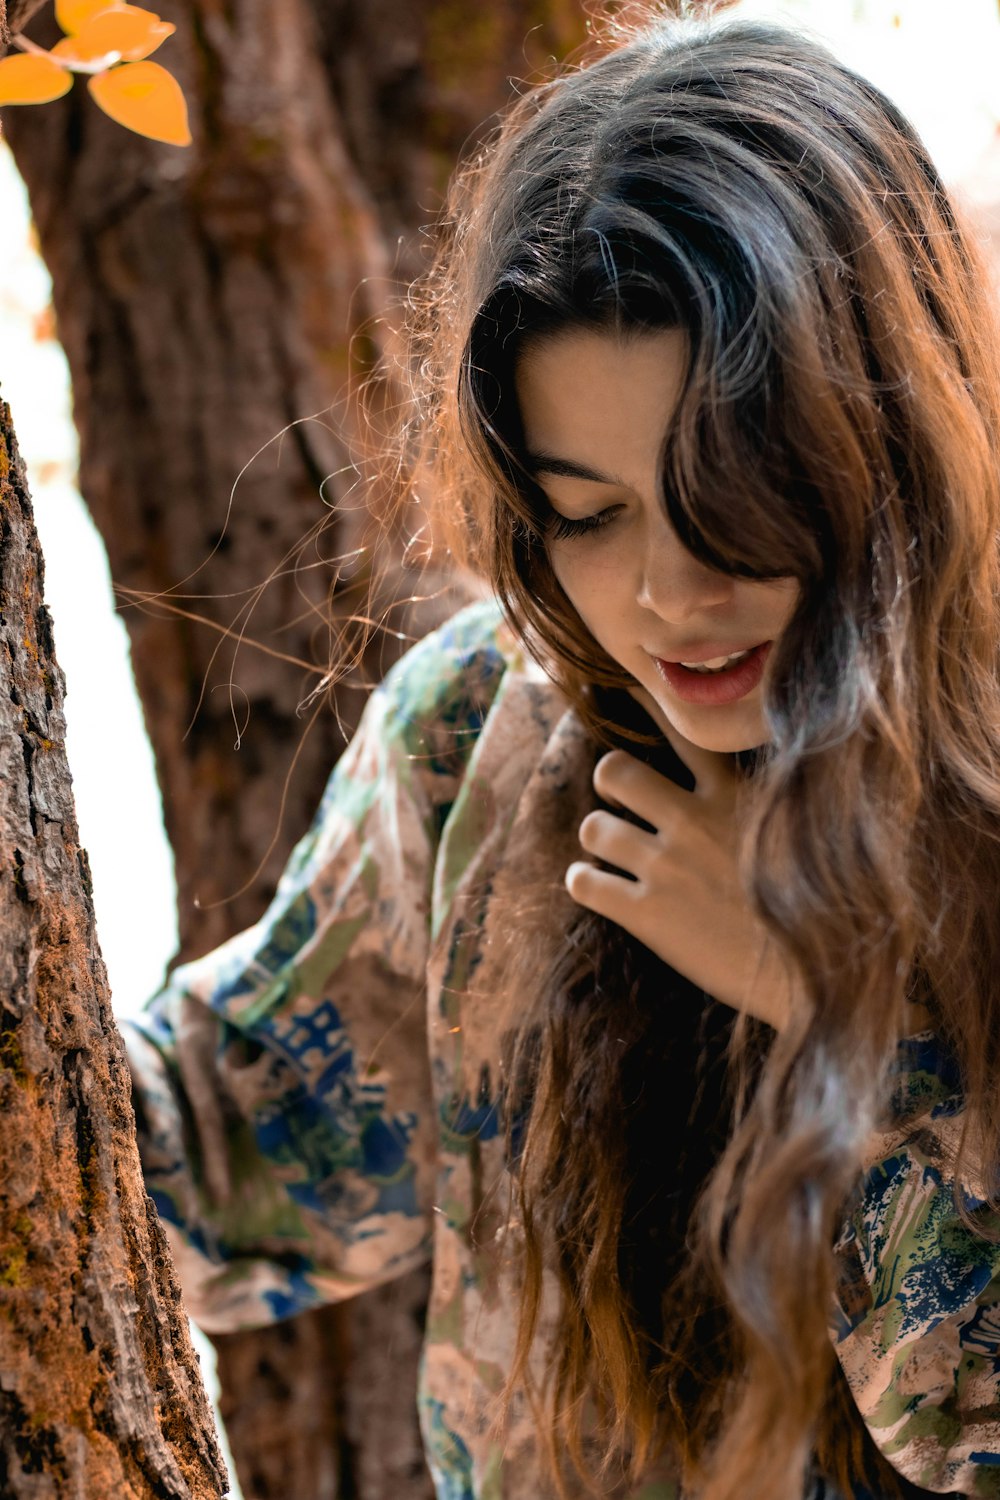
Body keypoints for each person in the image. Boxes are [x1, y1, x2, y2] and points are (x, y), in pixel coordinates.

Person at [124, 7, 1000, 1499]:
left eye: (732, 493)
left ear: (889, 444)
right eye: (587, 515)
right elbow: (222, 1148)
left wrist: (835, 1008)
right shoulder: (492, 732)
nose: (668, 596)